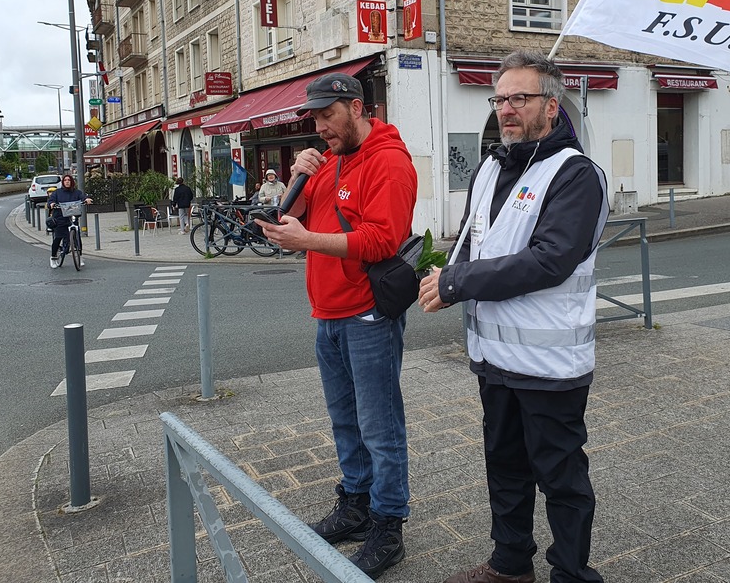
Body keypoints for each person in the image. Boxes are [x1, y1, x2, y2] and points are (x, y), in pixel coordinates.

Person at [419, 51, 608, 583]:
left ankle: (571, 573)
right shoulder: (491, 166)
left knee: (562, 478)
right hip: (493, 358)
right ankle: (509, 565)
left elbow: (550, 259)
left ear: (552, 106)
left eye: (519, 98)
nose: (506, 109)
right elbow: (471, 244)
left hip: (550, 365)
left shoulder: (576, 175)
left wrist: (457, 284)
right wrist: (432, 273)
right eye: (500, 98)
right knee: (504, 468)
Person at [256, 71, 417, 579]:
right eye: (316, 118)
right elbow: (292, 215)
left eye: (329, 115)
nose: (321, 126)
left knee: (379, 427)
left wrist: (307, 242)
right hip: (327, 314)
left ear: (356, 107)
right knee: (345, 422)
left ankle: (388, 526)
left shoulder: (389, 162)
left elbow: (381, 242)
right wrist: (300, 175)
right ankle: (355, 506)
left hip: (367, 314)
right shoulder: (329, 161)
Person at [47, 174, 93, 269]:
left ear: (72, 182)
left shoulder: (76, 192)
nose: (67, 181)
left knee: (77, 237)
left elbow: (82, 197)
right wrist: (51, 204)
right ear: (63, 182)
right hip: (60, 218)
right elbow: (51, 200)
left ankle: (79, 256)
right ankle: (53, 257)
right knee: (58, 238)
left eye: (69, 180)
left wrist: (86, 199)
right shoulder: (57, 193)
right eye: (65, 180)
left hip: (72, 217)